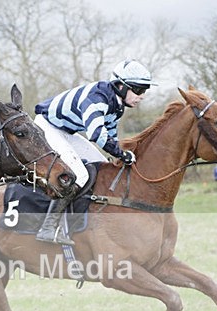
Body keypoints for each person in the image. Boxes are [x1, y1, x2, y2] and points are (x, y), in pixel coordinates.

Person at [32, 59, 155, 244]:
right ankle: (48, 228)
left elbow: (111, 136)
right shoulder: (98, 97)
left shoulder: (117, 105)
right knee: (80, 175)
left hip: (67, 131)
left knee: (103, 167)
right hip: (47, 127)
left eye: (144, 90)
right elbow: (97, 134)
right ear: (120, 86)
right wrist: (121, 154)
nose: (142, 96)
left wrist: (120, 154)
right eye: (138, 90)